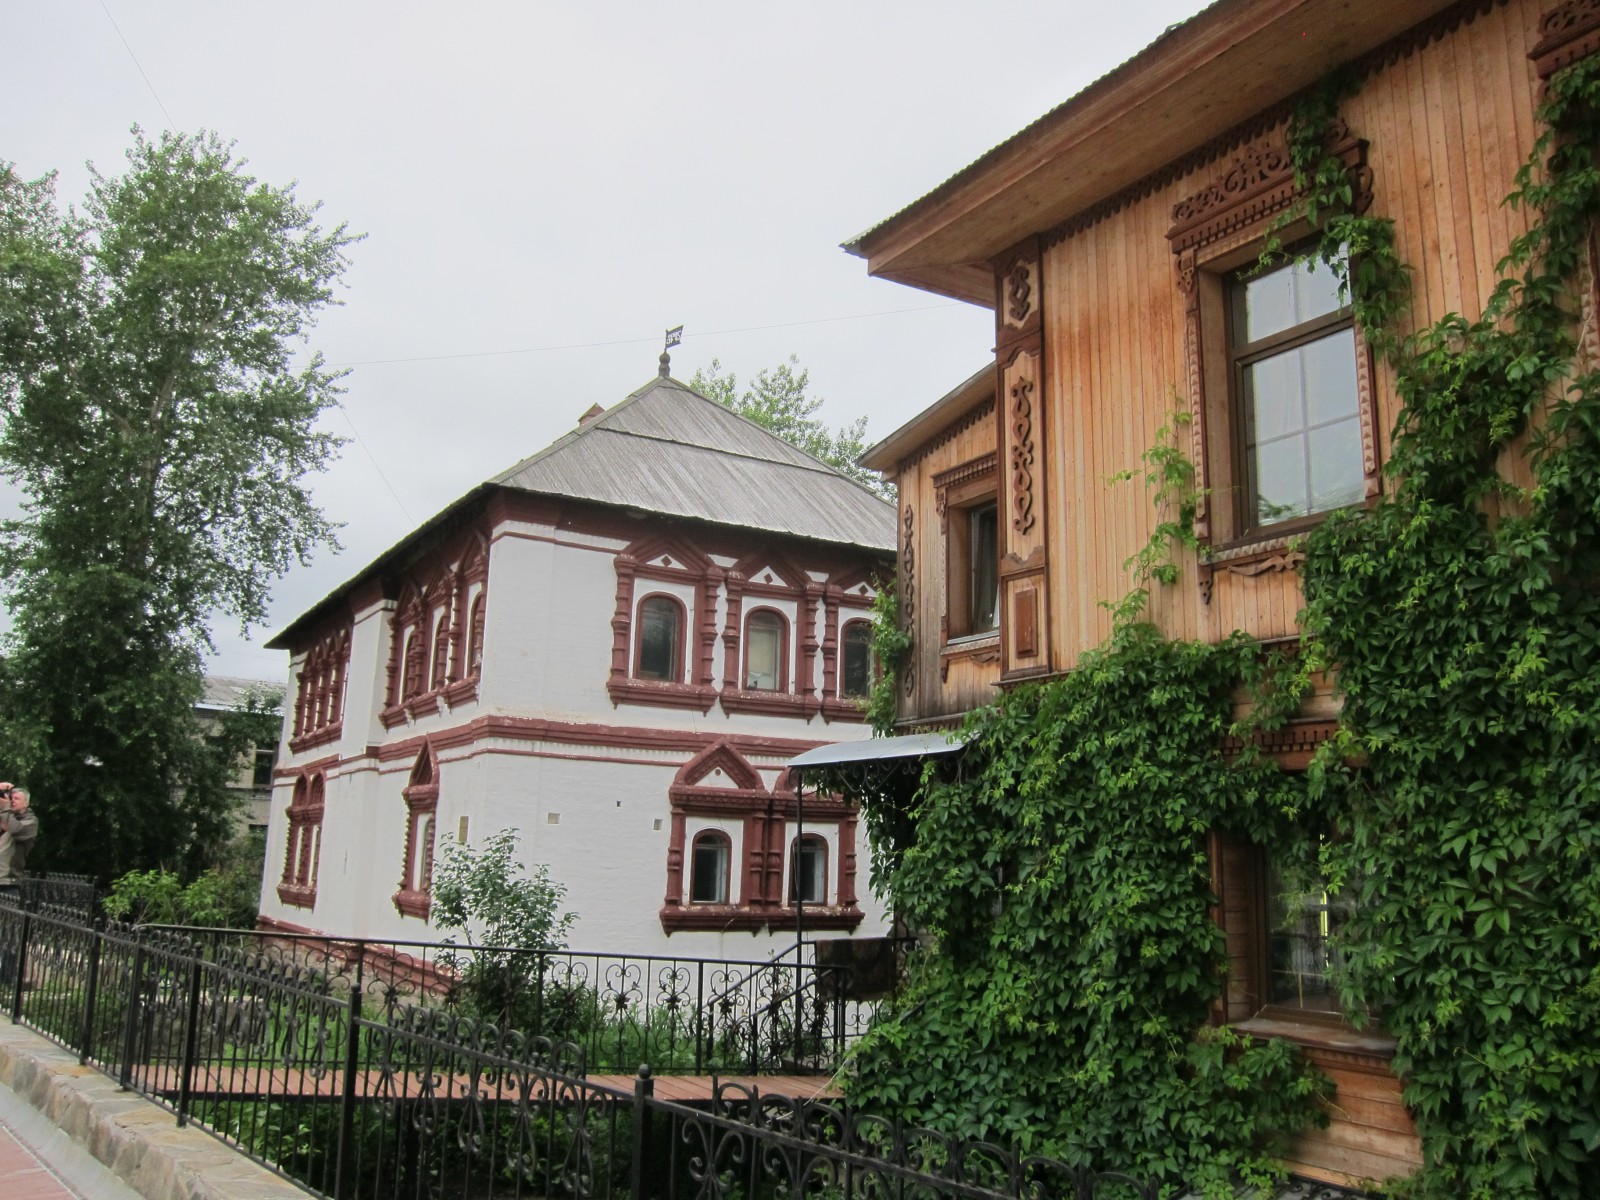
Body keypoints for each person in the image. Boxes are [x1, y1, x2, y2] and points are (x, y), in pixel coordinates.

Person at [0, 783, 38, 891]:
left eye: (16, 798)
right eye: (11, 798)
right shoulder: (7, 816)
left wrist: (6, 807)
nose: (12, 801)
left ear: (26, 803)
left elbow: (14, 829)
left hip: (8, 883)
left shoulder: (31, 821)